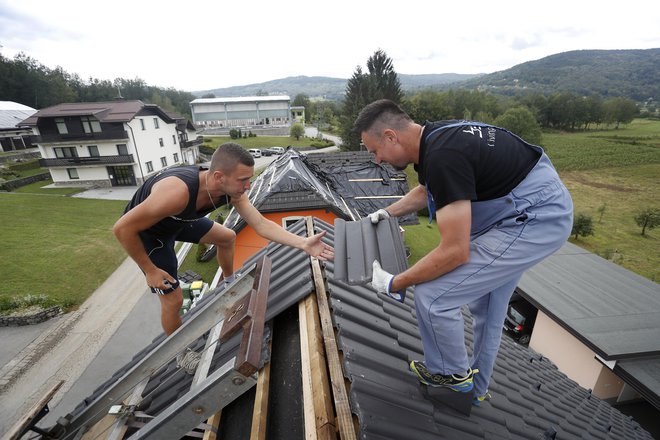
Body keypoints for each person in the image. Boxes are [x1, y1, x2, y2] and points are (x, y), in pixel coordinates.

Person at [354, 99, 573, 406]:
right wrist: (386, 212)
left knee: (433, 296)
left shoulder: (443, 155)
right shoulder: (435, 137)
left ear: (391, 136)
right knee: (487, 308)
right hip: (530, 207)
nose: (376, 159)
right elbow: (431, 188)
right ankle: (478, 387)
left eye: (374, 150)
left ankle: (452, 380)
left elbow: (455, 252)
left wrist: (394, 283)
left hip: (534, 218)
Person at [113, 143, 334, 337]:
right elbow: (122, 229)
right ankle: (180, 355)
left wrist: (302, 243)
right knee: (174, 300)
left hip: (177, 220)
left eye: (249, 178)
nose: (248, 185)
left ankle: (228, 283)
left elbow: (260, 224)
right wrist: (150, 270)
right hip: (149, 233)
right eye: (243, 180)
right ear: (219, 177)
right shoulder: (176, 193)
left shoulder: (231, 190)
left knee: (227, 236)